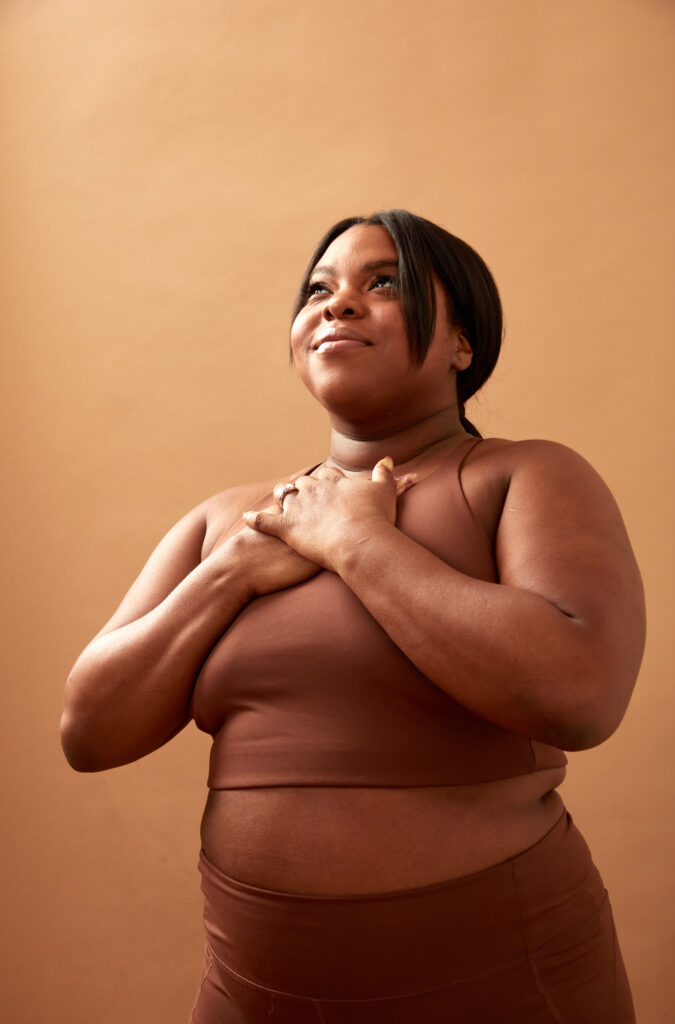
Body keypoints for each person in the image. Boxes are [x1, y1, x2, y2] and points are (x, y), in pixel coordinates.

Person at [61, 209, 645, 1023]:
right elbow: (89, 731)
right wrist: (231, 570)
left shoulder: (519, 476)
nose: (336, 304)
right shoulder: (226, 520)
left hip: (500, 979)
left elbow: (579, 693)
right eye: (318, 290)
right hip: (250, 989)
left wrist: (357, 545)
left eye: (383, 283)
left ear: (461, 345)